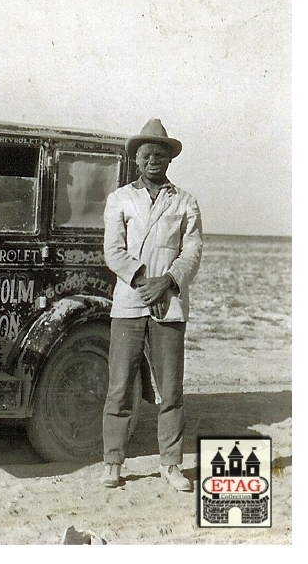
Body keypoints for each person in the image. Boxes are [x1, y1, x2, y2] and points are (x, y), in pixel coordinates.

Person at [100, 119, 202, 492]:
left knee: (170, 389)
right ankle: (113, 461)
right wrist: (143, 281)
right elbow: (113, 252)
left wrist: (167, 282)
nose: (153, 160)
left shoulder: (186, 201)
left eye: (160, 154)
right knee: (120, 386)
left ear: (169, 160)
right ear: (136, 160)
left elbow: (192, 251)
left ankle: (171, 465)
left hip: (170, 303)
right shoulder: (120, 199)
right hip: (128, 302)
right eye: (146, 154)